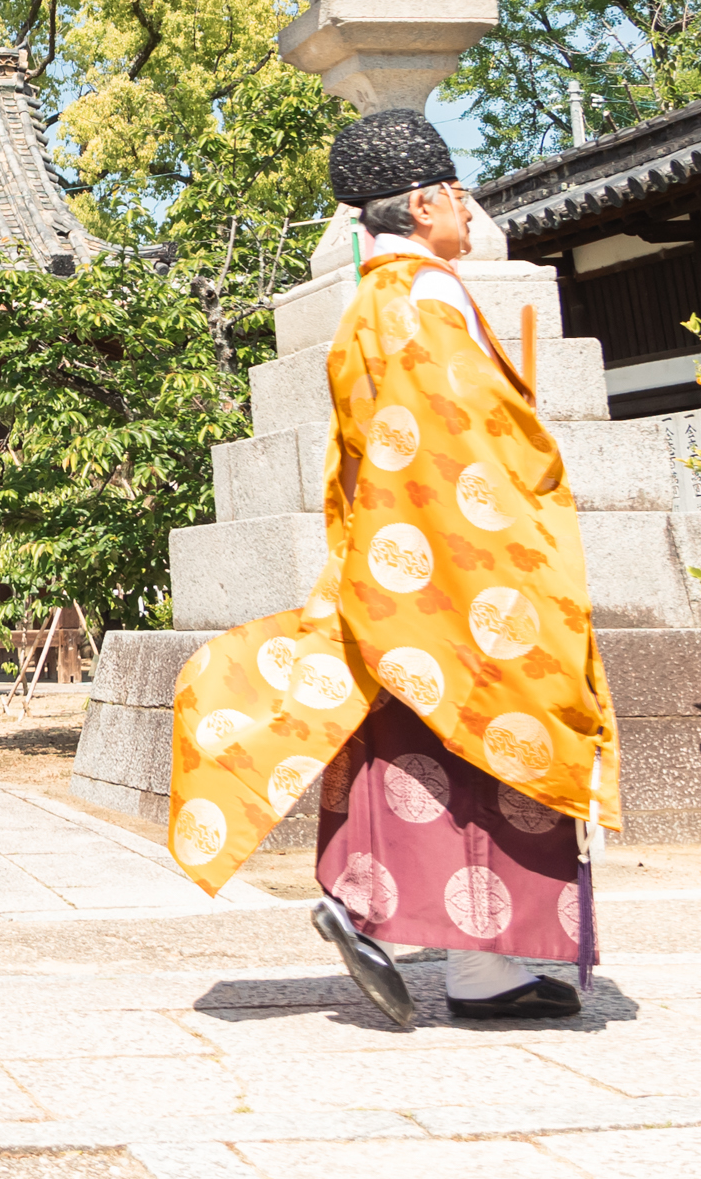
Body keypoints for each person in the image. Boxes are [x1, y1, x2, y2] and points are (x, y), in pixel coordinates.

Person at [161, 110, 617, 1026]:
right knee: (495, 744)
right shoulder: (431, 299)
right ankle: (489, 969)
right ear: (422, 203)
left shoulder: (370, 304)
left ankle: (364, 900)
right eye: (459, 194)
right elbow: (470, 450)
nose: (470, 211)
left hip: (396, 558)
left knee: (402, 747)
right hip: (466, 564)